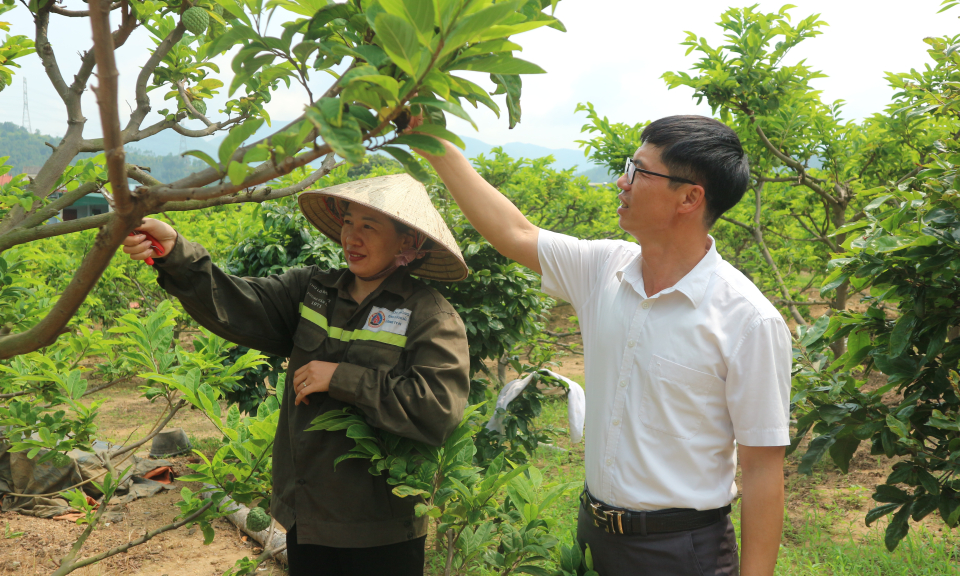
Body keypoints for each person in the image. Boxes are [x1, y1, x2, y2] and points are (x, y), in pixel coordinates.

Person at [416, 115, 791, 576]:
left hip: (681, 551)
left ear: (690, 197)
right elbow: (515, 232)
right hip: (594, 537)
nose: (622, 181)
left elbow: (761, 469)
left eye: (639, 171)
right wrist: (432, 141)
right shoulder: (604, 269)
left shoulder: (748, 320)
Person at [122, 174, 472, 576]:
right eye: (348, 223)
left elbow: (438, 410)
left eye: (369, 227)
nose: (351, 238)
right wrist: (175, 254)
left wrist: (342, 377)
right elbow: (237, 300)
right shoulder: (313, 290)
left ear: (408, 242)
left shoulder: (430, 316)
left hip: (379, 530)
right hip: (307, 518)